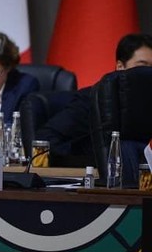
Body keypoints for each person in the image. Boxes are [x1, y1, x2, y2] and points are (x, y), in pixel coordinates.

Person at [36, 33, 152, 174]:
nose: (148, 74)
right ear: (120, 67)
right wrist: (93, 158)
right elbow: (45, 139)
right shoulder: (93, 99)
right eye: (142, 67)